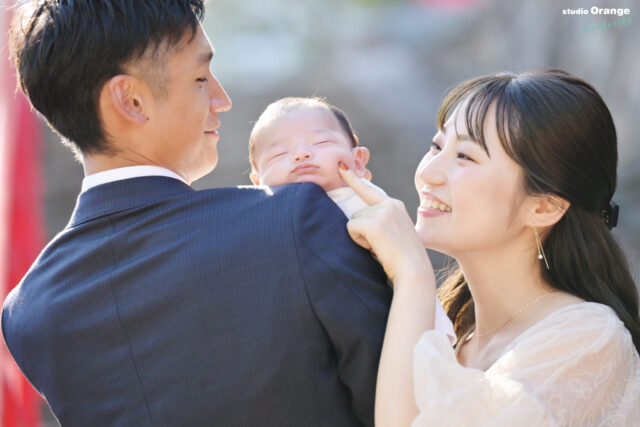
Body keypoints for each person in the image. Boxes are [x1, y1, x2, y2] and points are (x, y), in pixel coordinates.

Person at [1, 1, 391, 425]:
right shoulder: (296, 219)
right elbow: (405, 403)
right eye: (201, 78)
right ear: (130, 99)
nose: (221, 100)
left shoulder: (28, 312)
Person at [336, 69, 640, 426]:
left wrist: (413, 273)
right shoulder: (449, 327)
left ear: (544, 206)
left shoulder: (586, 339)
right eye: (436, 146)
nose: (428, 173)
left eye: (465, 156)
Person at [249, 96, 454, 338]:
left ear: (357, 161)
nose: (301, 154)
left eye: (321, 142)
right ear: (257, 183)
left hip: (392, 330)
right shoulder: (260, 224)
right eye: (279, 154)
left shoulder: (368, 204)